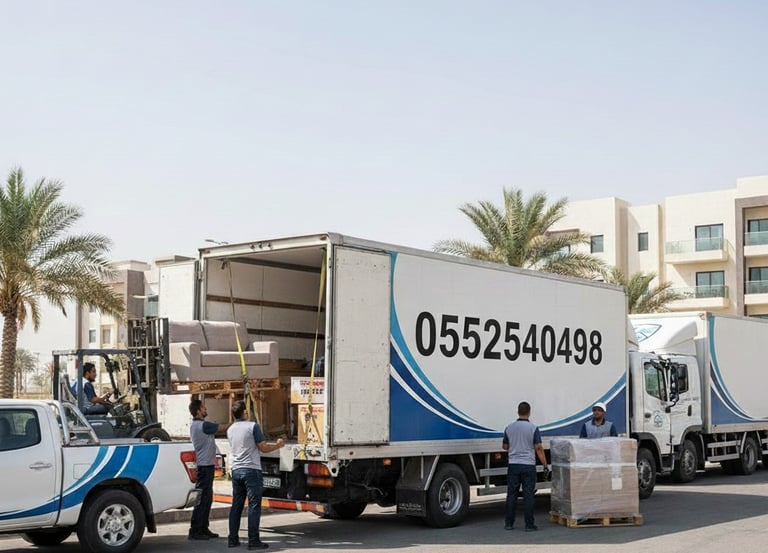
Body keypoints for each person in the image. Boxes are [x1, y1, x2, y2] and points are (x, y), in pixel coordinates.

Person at [227, 400, 285, 550]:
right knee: (254, 505)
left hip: (236, 470)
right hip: (251, 470)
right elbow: (263, 448)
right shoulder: (252, 426)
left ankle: (232, 539)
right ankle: (253, 540)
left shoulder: (230, 429)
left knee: (237, 505)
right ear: (245, 412)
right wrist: (278, 445)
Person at [188, 399, 231, 541]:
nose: (205, 409)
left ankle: (203, 527)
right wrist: (236, 422)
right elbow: (222, 428)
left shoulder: (197, 425)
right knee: (202, 499)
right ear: (198, 411)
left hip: (206, 466)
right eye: (203, 407)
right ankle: (195, 530)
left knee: (207, 498)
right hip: (204, 467)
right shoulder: (203, 425)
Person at [502, 401, 548, 532]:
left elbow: (505, 446)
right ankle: (529, 525)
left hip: (513, 465)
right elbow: (538, 447)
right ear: (529, 412)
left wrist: (515, 447)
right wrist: (545, 464)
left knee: (512, 494)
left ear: (518, 412)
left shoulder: (509, 428)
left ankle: (509, 523)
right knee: (528, 495)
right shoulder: (533, 428)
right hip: (528, 465)